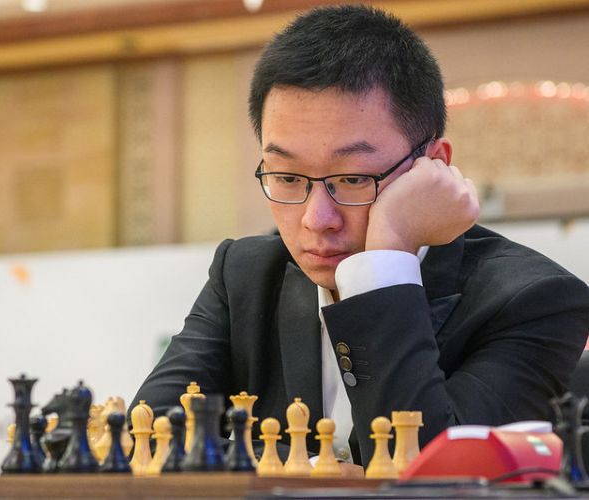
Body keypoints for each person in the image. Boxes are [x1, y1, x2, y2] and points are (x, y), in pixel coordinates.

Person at [132, 4, 589, 466]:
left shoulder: (537, 301)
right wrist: (319, 471)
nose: (316, 219)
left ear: (433, 166)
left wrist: (387, 256)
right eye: (287, 177)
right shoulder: (245, 275)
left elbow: (435, 478)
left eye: (353, 178)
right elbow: (144, 439)